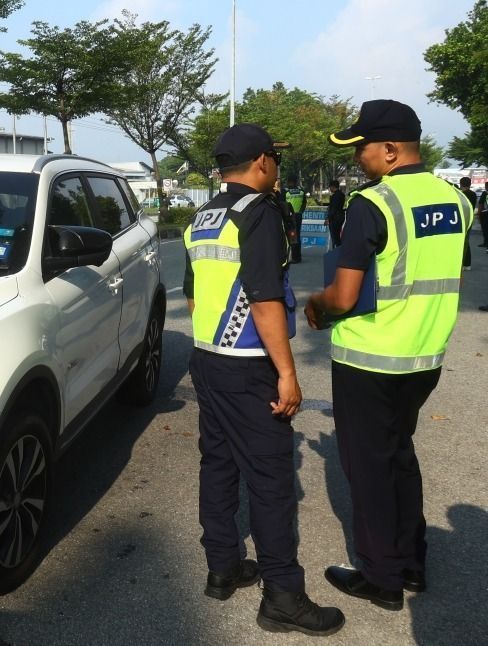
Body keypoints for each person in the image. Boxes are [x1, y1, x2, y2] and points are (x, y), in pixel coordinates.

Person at [304, 99, 473, 611]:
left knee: (368, 467)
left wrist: (317, 306)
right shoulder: (457, 201)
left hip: (369, 358)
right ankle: (412, 562)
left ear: (391, 149)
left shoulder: (373, 204)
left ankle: (380, 577)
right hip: (425, 357)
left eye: (362, 148)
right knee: (400, 454)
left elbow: (345, 295)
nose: (359, 157)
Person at [183, 123, 344, 637]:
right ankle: (282, 596)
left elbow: (191, 295)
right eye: (274, 157)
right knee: (272, 481)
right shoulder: (258, 214)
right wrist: (287, 374)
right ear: (259, 163)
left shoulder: (201, 217)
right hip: (248, 364)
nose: (276, 164)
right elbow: (265, 297)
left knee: (219, 464)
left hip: (207, 358)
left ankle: (223, 568)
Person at [282, 174, 307, 263]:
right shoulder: (301, 191)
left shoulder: (285, 191)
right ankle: (297, 256)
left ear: (289, 181)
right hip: (298, 215)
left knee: (291, 236)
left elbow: (282, 204)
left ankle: (294, 257)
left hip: (289, 216)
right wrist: (300, 211)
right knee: (297, 235)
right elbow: (304, 203)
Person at [459, 177, 476, 270]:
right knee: (466, 240)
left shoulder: (461, 195)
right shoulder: (473, 194)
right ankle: (467, 264)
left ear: (461, 184)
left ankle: (463, 263)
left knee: (462, 241)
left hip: (462, 219)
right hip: (470, 218)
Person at [326, 180, 346, 247]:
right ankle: (338, 251)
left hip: (335, 218)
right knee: (337, 235)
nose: (330, 189)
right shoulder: (341, 194)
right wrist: (323, 204)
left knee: (335, 236)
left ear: (332, 186)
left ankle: (337, 252)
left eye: (330, 187)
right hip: (340, 216)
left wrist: (328, 218)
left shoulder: (335, 195)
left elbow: (334, 208)